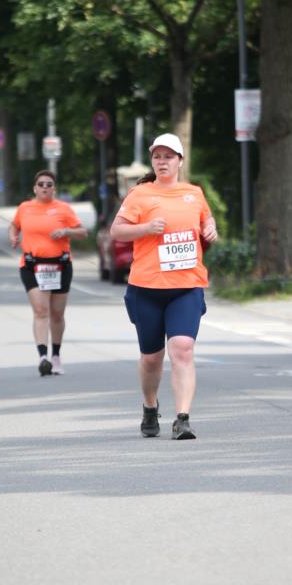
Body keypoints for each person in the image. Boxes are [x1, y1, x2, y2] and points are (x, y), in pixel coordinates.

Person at [110, 133, 218, 440]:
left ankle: (182, 418)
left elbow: (207, 223)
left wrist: (210, 228)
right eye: (157, 156)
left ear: (180, 161)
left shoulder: (194, 193)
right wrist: (144, 228)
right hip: (147, 287)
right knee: (152, 358)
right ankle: (149, 406)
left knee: (182, 349)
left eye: (169, 156)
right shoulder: (140, 194)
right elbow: (116, 230)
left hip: (186, 286)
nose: (162, 161)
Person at [9, 170, 87, 376]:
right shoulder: (24, 208)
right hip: (32, 265)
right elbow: (14, 226)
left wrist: (67, 231)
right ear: (35, 188)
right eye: (41, 184)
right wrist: (14, 237)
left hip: (60, 265)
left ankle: (56, 355)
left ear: (54, 188)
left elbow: (82, 232)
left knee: (57, 313)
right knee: (41, 310)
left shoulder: (63, 209)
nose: (45, 187)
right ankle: (43, 357)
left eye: (49, 184)